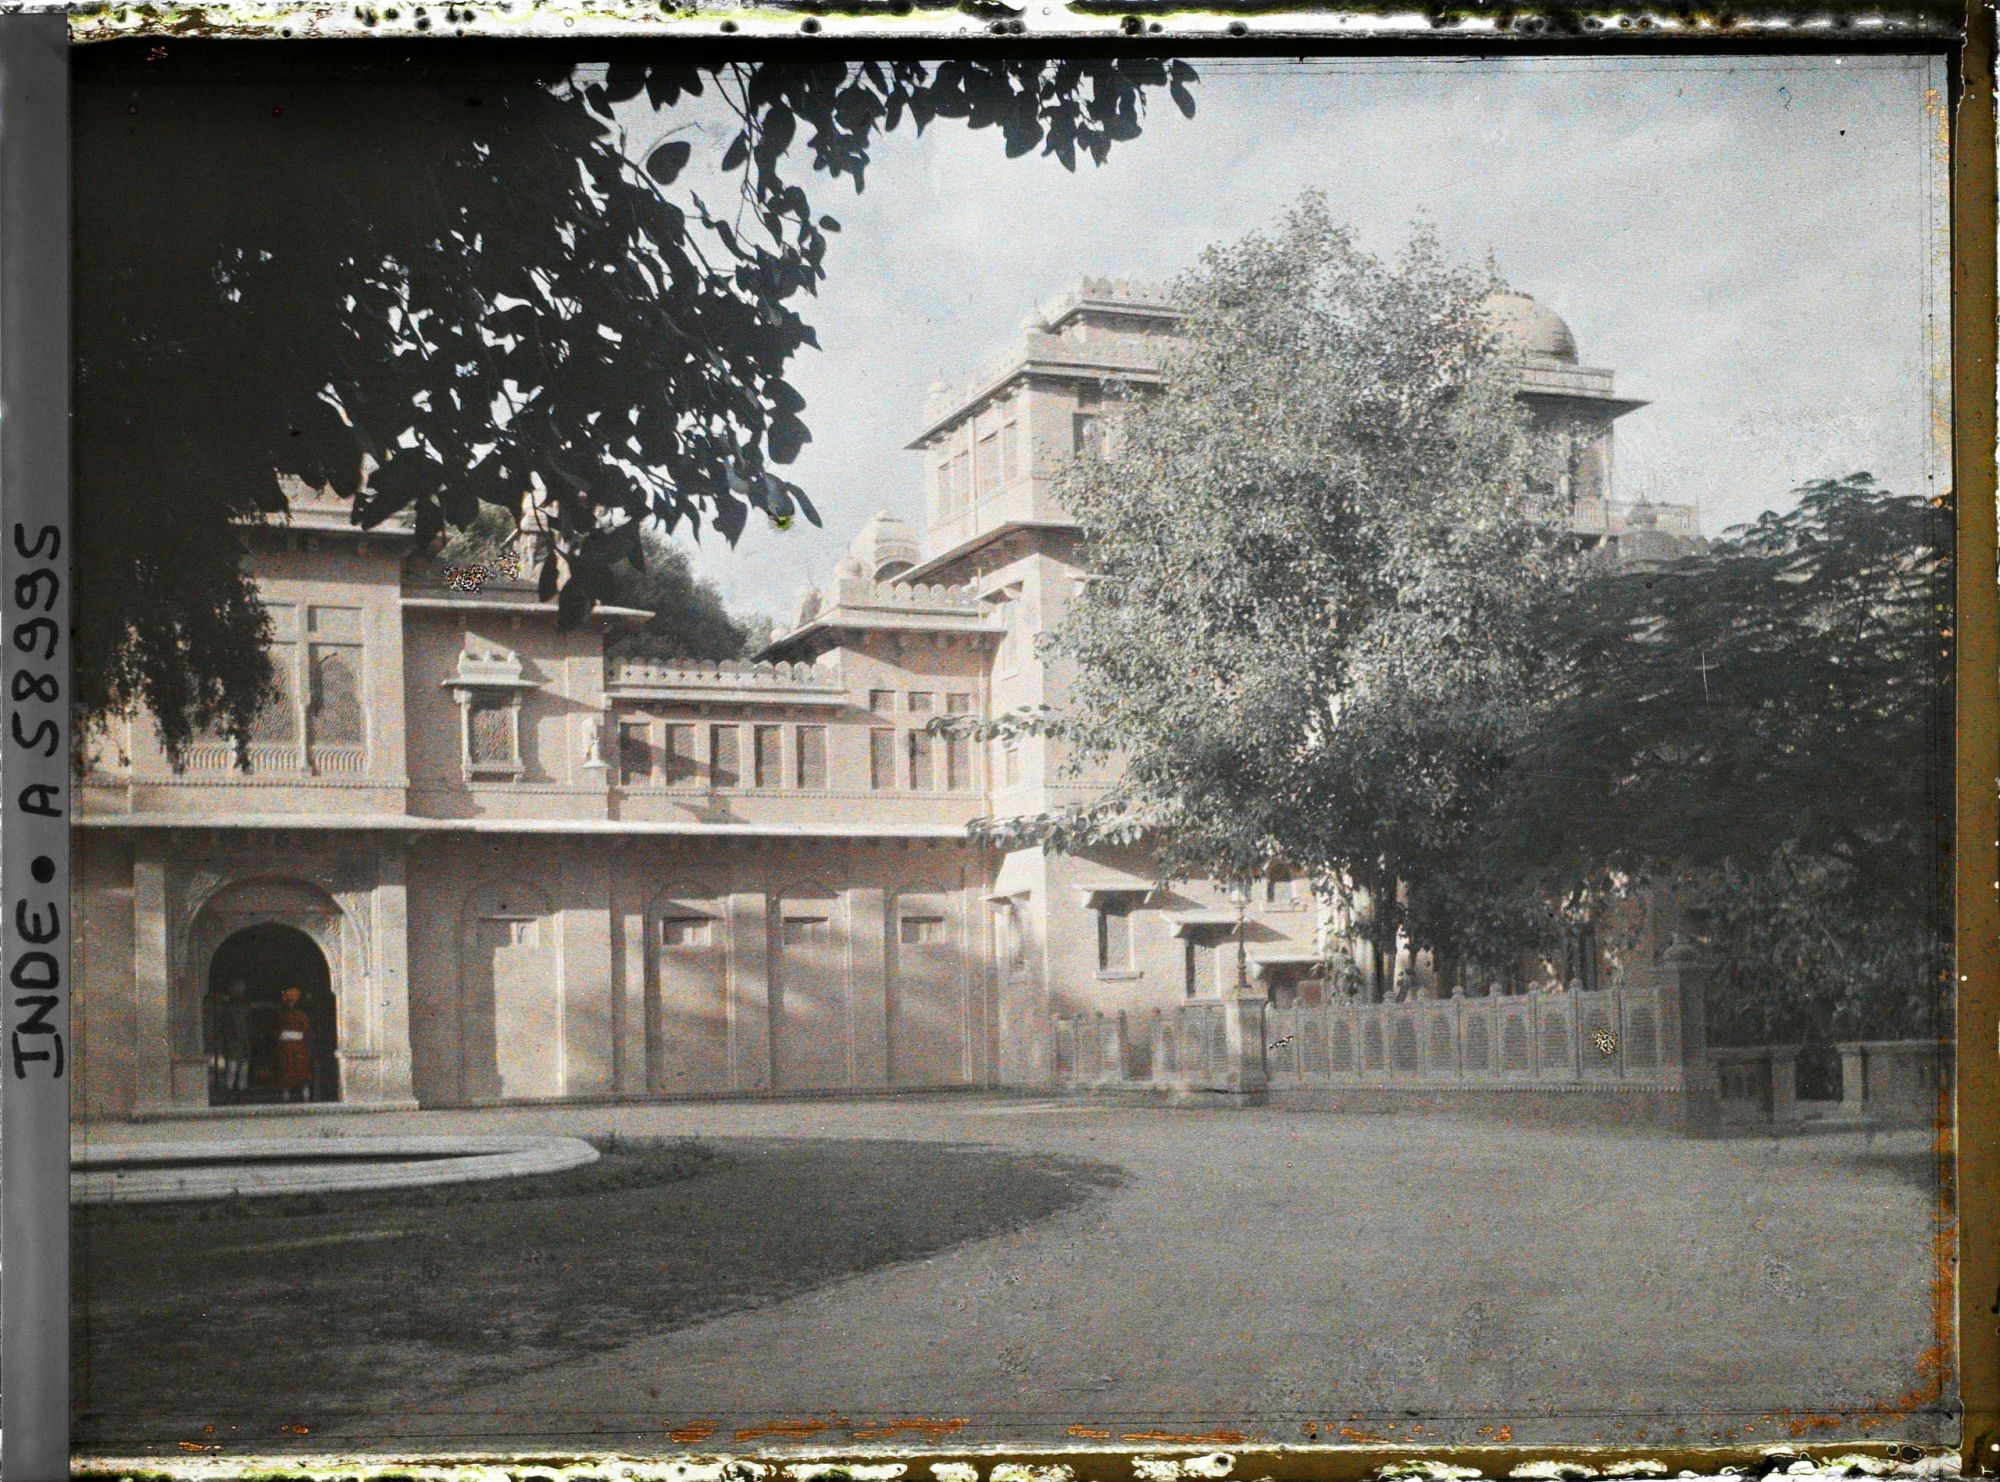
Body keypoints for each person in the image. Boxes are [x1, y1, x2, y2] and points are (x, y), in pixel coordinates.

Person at [276, 987, 314, 1104]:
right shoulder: (283, 1015)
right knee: (288, 1070)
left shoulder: (302, 1016)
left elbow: (307, 1031)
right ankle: (286, 1095)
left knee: (302, 1071)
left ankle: (305, 1095)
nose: (291, 1003)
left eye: (293, 1001)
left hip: (299, 1046)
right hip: (287, 1047)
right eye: (289, 1001)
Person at [217, 981, 253, 1102]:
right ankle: (229, 1092)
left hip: (243, 1043)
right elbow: (225, 1027)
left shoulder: (245, 1008)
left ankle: (241, 1093)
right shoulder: (228, 1009)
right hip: (233, 1043)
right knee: (232, 1069)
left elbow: (249, 1026)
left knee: (243, 1070)